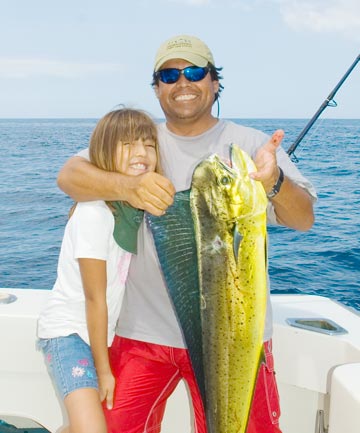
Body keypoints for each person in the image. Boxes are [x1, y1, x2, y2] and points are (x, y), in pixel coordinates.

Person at [57, 35, 316, 433]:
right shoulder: (140, 141)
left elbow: (304, 219)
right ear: (157, 87)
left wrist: (274, 180)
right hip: (142, 333)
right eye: (169, 74)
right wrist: (128, 187)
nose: (183, 82)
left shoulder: (250, 145)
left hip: (233, 339)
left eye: (195, 72)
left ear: (215, 82)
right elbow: (70, 177)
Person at [37, 108, 161, 433]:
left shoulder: (129, 210)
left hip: (96, 335)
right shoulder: (95, 212)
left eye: (149, 145)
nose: (141, 153)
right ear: (103, 153)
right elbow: (95, 299)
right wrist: (104, 369)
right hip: (69, 335)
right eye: (128, 144)